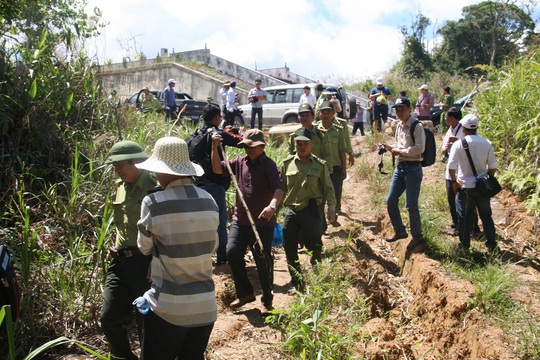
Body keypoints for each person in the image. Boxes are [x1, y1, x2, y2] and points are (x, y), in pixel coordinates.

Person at [135, 137, 219, 359]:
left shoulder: (154, 203)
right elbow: (213, 247)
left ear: (162, 171)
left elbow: (144, 247)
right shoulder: (210, 200)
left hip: (169, 310)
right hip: (206, 308)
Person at [211, 129, 283, 316]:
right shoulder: (239, 163)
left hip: (262, 221)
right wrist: (214, 146)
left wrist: (272, 206)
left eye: (251, 147)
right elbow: (217, 169)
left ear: (261, 147)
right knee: (232, 252)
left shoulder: (269, 166)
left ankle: (267, 300)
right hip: (240, 219)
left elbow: (278, 188)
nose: (248, 150)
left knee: (262, 259)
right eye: (246, 147)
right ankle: (245, 294)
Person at [101, 140, 157, 360]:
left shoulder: (153, 187)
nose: (116, 170)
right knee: (109, 318)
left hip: (144, 262)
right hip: (120, 262)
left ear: (136, 162)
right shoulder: (120, 187)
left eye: (119, 165)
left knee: (146, 321)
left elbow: (162, 229)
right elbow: (121, 223)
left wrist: (156, 260)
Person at [281, 127, 336, 291]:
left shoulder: (319, 165)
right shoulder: (287, 164)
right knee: (289, 248)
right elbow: (281, 189)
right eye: (298, 143)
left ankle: (317, 279)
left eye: (305, 144)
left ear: (311, 144)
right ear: (294, 144)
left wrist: (331, 208)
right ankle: (297, 282)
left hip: (311, 211)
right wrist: (274, 211)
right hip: (291, 211)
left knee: (315, 247)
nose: (302, 147)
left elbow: (329, 189)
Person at [195, 104, 243, 265]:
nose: (221, 118)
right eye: (220, 116)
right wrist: (237, 134)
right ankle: (222, 256)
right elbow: (241, 142)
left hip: (197, 183)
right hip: (215, 183)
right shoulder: (218, 134)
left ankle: (202, 256)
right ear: (216, 118)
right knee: (220, 219)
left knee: (201, 220)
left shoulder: (196, 134)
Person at [447, 114, 499, 252]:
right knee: (486, 216)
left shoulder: (459, 144)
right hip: (482, 187)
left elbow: (451, 167)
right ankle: (492, 245)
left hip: (465, 186)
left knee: (463, 217)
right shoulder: (486, 143)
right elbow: (492, 167)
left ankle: (464, 246)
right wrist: (488, 178)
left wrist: (454, 182)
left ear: (463, 128)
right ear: (476, 128)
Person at [380, 97, 425, 250]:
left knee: (411, 204)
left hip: (413, 168)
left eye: (402, 109)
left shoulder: (416, 126)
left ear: (409, 109)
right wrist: (390, 147)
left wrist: (401, 151)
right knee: (391, 200)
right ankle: (400, 231)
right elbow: (399, 146)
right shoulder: (399, 126)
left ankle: (418, 237)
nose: (399, 113)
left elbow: (420, 148)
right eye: (397, 110)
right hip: (400, 167)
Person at [316, 101, 347, 223]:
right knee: (321, 196)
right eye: (323, 112)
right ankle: (322, 221)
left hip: (335, 167)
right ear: (319, 114)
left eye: (328, 112)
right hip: (320, 168)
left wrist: (344, 168)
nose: (326, 115)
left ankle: (333, 216)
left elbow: (342, 150)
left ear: (333, 113)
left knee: (335, 192)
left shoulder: (338, 130)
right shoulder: (315, 130)